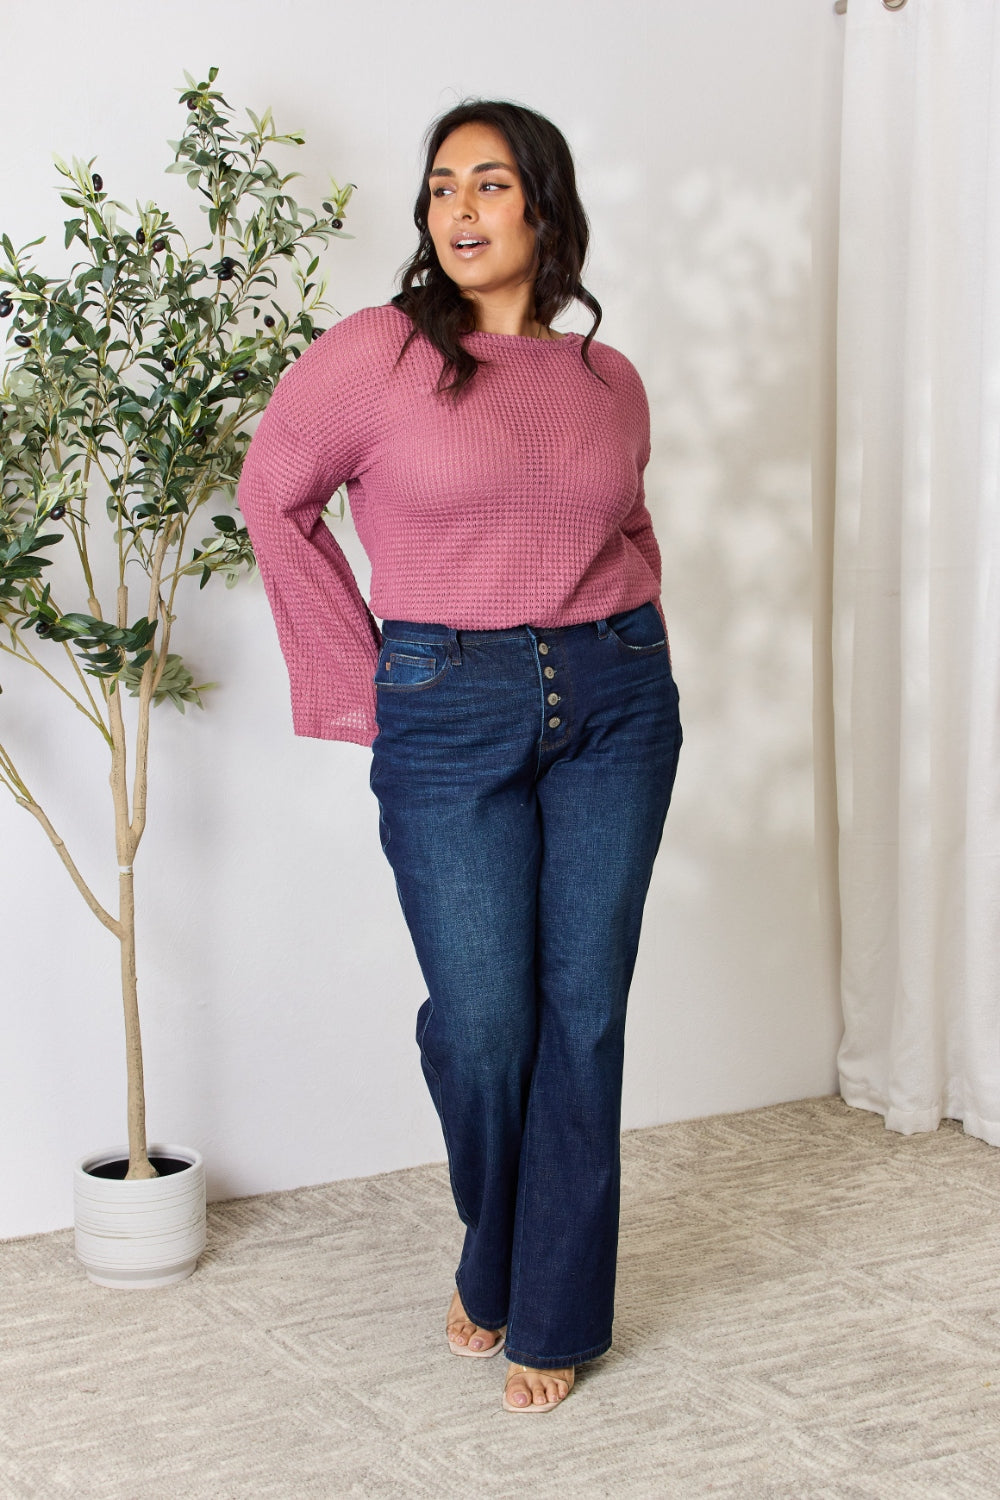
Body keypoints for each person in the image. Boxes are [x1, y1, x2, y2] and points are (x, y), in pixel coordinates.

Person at [237, 99, 682, 1414]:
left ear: (544, 210)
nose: (463, 209)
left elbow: (632, 529)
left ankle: (550, 1304)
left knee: (584, 1014)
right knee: (487, 1022)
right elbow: (275, 494)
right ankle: (496, 1244)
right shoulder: (378, 353)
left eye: (492, 184)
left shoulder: (609, 381)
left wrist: (635, 649)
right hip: (448, 698)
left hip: (617, 701)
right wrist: (363, 674)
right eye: (442, 188)